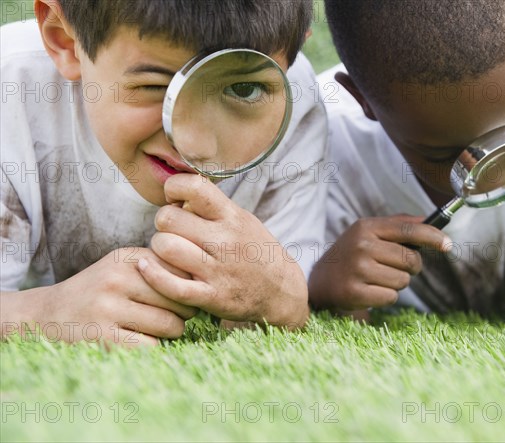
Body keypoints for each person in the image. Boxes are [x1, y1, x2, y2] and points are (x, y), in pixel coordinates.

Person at [1, 0, 328, 345]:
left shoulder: (295, 98)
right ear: (64, 42)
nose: (196, 147)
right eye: (155, 88)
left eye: (243, 89)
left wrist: (278, 299)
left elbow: (286, 301)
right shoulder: (12, 85)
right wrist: (43, 312)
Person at [309, 0, 505, 336]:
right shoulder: (317, 147)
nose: (496, 175)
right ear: (363, 100)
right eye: (446, 155)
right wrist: (322, 285)